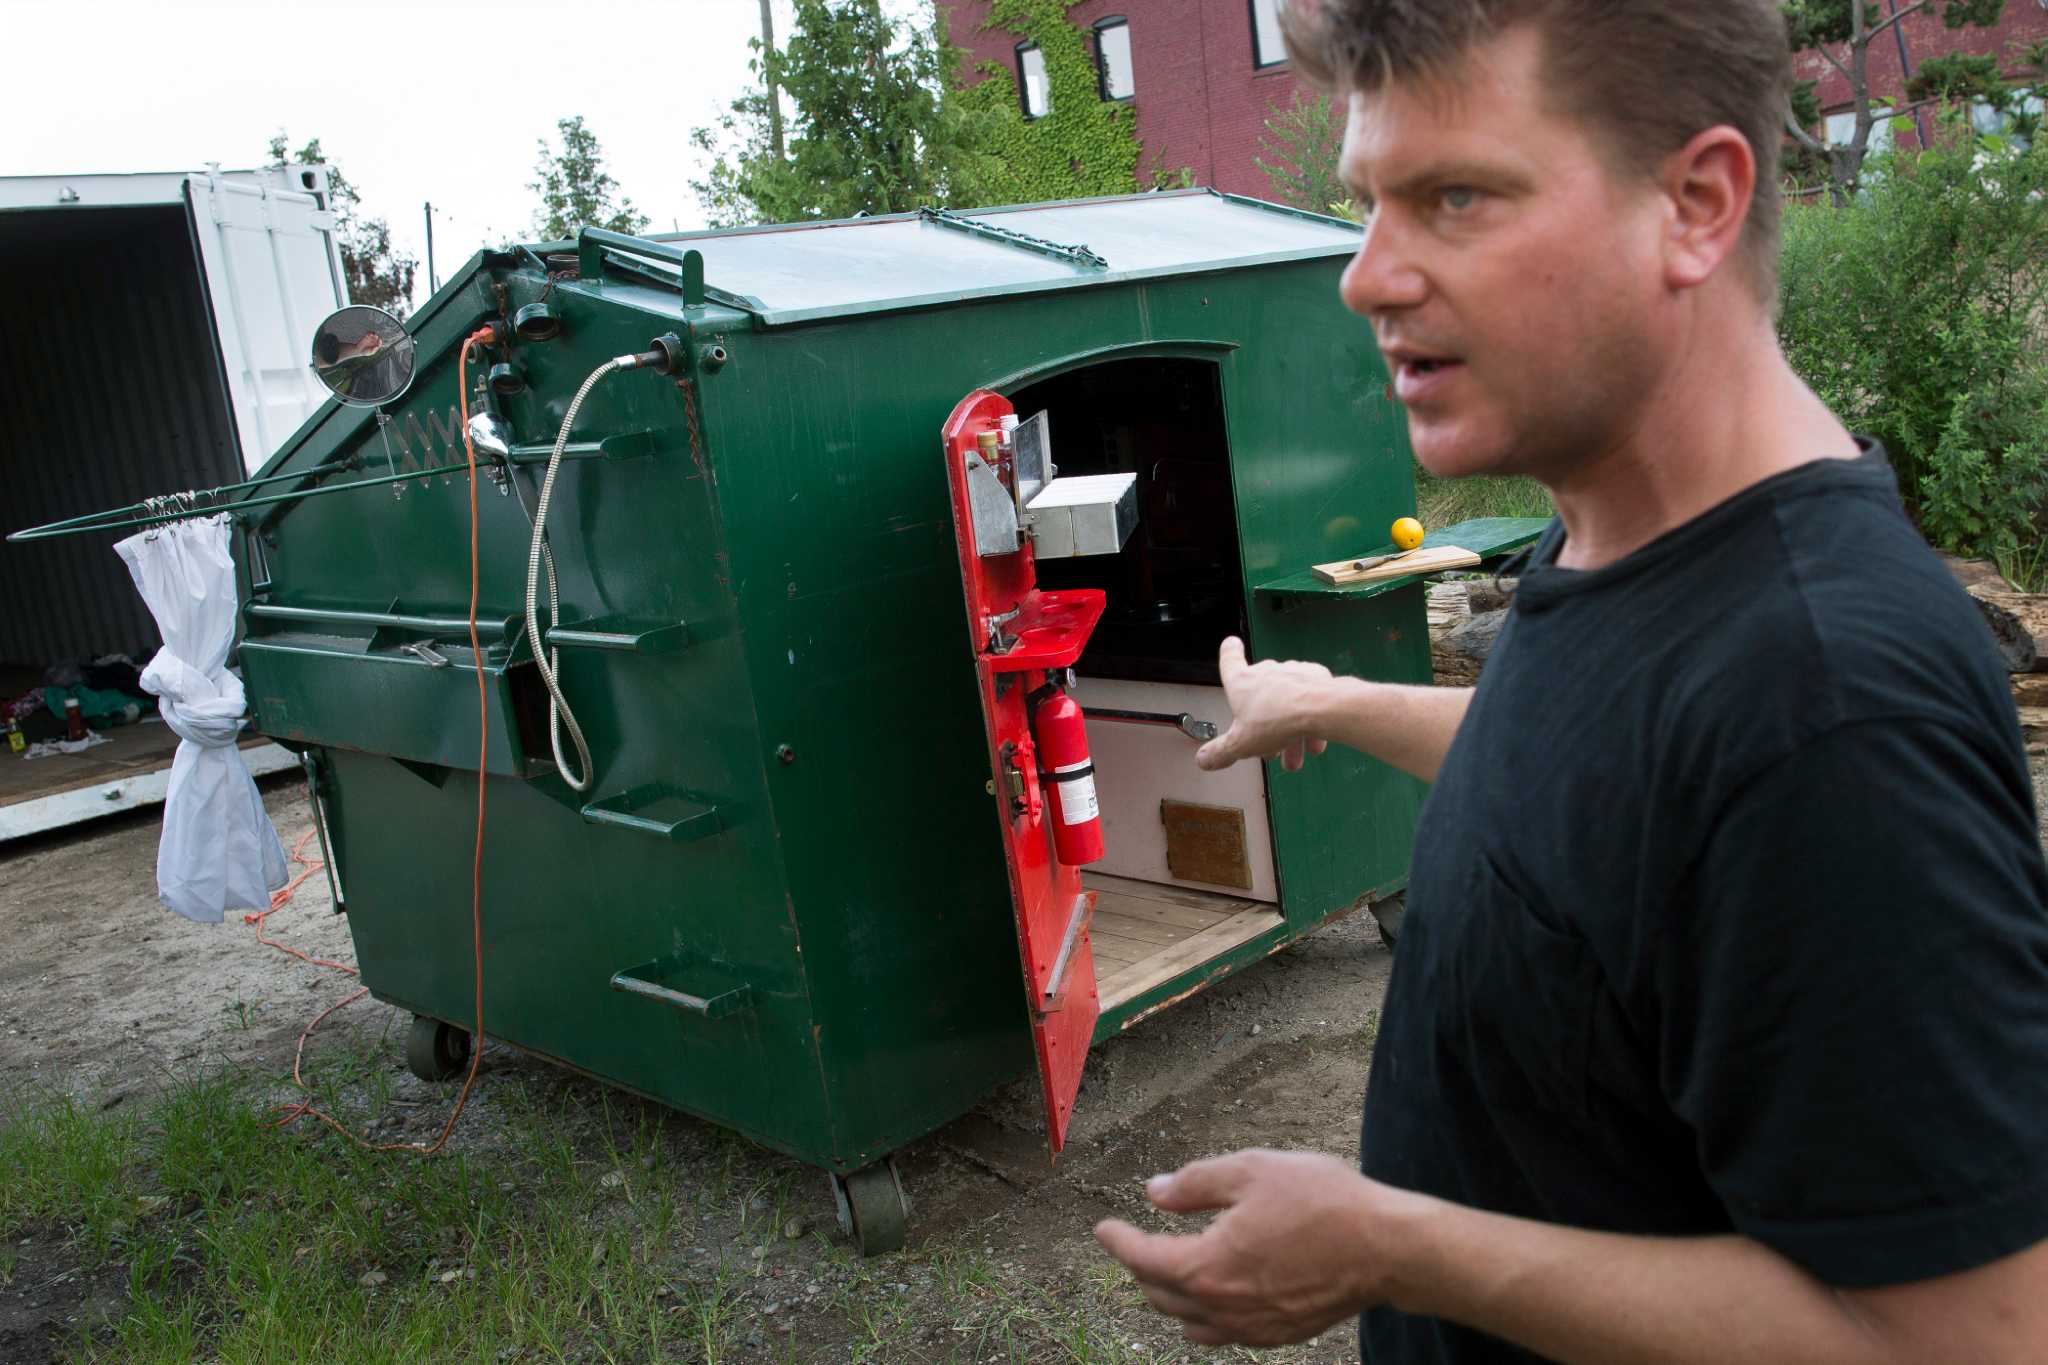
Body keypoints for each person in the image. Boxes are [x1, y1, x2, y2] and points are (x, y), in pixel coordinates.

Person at [1093, 1, 2048, 1360]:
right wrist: (1338, 703)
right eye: (1368, 201)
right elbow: (1611, 784)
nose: (1365, 275)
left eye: (1455, 196)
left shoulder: (1833, 710)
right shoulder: (1623, 523)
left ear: (1696, 204)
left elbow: (1957, 1345)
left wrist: (1392, 1241)